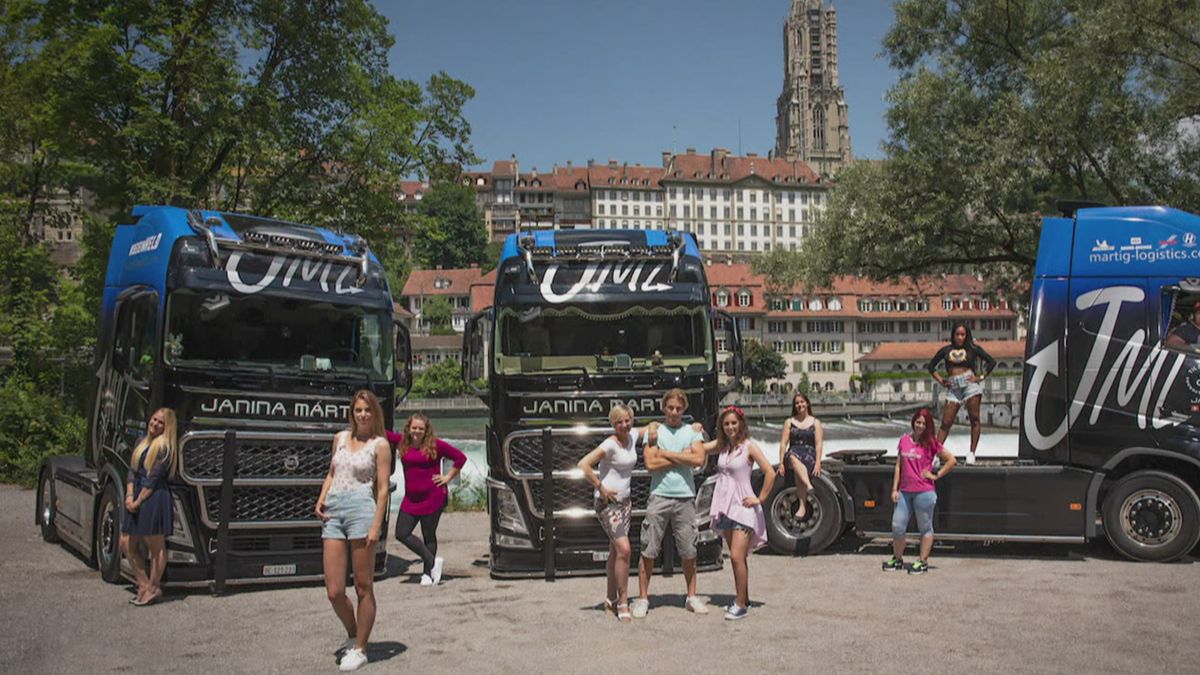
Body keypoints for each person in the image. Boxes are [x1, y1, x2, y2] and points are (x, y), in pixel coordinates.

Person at [315, 390, 391, 672]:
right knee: (334, 590)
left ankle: (360, 648)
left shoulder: (380, 445)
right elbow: (332, 473)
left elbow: (382, 489)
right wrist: (322, 497)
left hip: (361, 509)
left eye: (367, 410)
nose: (362, 415)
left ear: (374, 414)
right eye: (358, 410)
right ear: (352, 412)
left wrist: (376, 525)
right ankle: (353, 632)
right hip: (334, 509)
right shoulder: (340, 439)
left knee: (363, 585)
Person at [633, 388, 708, 618]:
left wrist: (665, 454)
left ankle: (691, 597)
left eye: (678, 408)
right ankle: (643, 599)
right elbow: (650, 465)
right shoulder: (654, 432)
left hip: (685, 496)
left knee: (688, 549)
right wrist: (680, 456)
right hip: (659, 495)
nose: (674, 412)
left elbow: (698, 459)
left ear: (683, 409)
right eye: (670, 408)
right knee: (649, 548)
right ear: (664, 408)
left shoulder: (692, 431)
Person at [695, 406, 775, 620]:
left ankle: (740, 605)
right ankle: (743, 597)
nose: (730, 427)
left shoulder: (749, 447)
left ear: (741, 424)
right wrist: (694, 431)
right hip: (724, 506)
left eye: (733, 422)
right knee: (738, 558)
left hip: (744, 506)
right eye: (726, 423)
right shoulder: (722, 447)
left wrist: (761, 498)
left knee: (737, 556)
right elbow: (700, 449)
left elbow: (770, 472)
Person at [387, 413, 466, 587]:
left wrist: (447, 477)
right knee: (401, 533)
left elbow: (460, 458)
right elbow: (382, 433)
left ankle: (427, 574)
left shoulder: (435, 445)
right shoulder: (402, 442)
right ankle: (432, 561)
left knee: (428, 535)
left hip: (433, 497)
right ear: (409, 428)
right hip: (411, 499)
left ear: (426, 430)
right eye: (414, 427)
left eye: (421, 428)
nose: (417, 431)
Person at [577, 404, 641, 622]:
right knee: (625, 549)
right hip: (608, 504)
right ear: (613, 424)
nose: (624, 425)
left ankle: (610, 598)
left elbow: (655, 426)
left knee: (616, 551)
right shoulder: (609, 445)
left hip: (625, 502)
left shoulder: (633, 435)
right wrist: (600, 486)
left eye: (627, 420)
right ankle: (623, 601)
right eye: (619, 422)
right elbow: (583, 464)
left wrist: (695, 428)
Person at [882, 408, 957, 575]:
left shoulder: (931, 443)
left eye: (924, 423)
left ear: (928, 425)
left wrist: (936, 475)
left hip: (924, 492)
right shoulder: (904, 440)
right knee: (897, 526)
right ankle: (897, 558)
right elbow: (898, 466)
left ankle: (922, 561)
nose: (920, 426)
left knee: (925, 528)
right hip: (904, 492)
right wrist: (894, 488)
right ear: (913, 422)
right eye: (918, 422)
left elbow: (952, 460)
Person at [121, 407, 178, 607]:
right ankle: (143, 584)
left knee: (156, 547)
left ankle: (153, 588)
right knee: (126, 542)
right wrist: (129, 495)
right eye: (154, 419)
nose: (155, 424)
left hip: (154, 497)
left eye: (160, 422)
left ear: (167, 427)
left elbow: (153, 479)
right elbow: (132, 472)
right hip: (136, 493)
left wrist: (138, 501)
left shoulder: (164, 449)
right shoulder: (141, 443)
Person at [927, 322, 996, 464]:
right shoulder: (946, 350)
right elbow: (931, 366)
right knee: (946, 422)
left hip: (970, 384)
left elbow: (991, 362)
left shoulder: (972, 349)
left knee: (974, 419)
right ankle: (936, 454)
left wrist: (980, 377)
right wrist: (941, 380)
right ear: (953, 335)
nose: (960, 337)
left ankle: (971, 453)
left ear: (967, 335)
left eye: (962, 334)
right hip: (953, 386)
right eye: (957, 334)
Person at [777, 392, 823, 520]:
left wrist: (818, 462)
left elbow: (818, 444)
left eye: (802, 402)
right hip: (793, 453)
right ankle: (808, 486)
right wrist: (780, 462)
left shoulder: (815, 422)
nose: (799, 405)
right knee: (792, 456)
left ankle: (802, 507)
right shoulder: (789, 422)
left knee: (798, 468)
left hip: (809, 454)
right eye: (797, 403)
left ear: (807, 403)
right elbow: (783, 443)